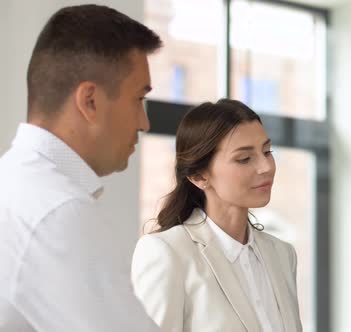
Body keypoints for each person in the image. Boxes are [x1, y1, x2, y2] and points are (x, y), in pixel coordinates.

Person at [0, 5, 163, 331]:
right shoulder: (58, 210)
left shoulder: (14, 184)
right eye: (138, 99)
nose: (144, 123)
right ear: (89, 101)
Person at [131, 99, 303, 332]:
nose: (266, 167)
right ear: (199, 176)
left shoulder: (282, 255)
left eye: (267, 151)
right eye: (244, 159)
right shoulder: (168, 253)